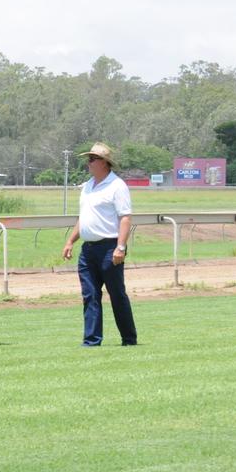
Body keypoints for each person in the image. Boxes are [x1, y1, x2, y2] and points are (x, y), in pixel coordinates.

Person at [62, 142, 138, 347]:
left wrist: (120, 247)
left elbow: (125, 218)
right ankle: (91, 340)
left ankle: (129, 338)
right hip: (88, 249)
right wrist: (71, 240)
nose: (88, 163)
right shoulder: (87, 186)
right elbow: (84, 217)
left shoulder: (117, 186)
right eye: (88, 159)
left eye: (92, 159)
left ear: (105, 162)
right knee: (90, 295)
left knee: (116, 294)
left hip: (109, 248)